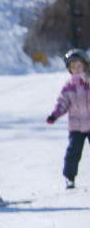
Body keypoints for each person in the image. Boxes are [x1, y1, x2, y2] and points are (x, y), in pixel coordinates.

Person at [46, 49, 90, 189]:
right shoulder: (68, 87)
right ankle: (69, 177)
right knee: (73, 153)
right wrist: (54, 115)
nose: (76, 70)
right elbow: (62, 104)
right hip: (76, 127)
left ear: (85, 65)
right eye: (73, 67)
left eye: (78, 66)